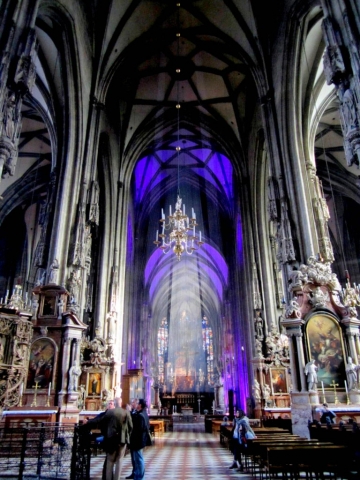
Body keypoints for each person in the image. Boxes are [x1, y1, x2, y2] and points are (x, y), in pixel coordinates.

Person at [91, 397, 133, 480]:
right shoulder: (126, 412)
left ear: (115, 403)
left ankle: (108, 478)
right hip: (122, 439)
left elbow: (99, 421)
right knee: (119, 461)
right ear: (121, 403)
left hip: (111, 439)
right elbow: (131, 426)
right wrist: (127, 434)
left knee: (110, 461)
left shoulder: (109, 412)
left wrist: (88, 422)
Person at [129, 398, 150, 480]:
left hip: (138, 440)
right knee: (137, 459)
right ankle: (138, 475)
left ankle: (140, 477)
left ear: (140, 405)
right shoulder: (142, 413)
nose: (135, 405)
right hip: (139, 440)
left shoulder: (140, 415)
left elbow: (139, 428)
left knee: (139, 459)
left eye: (137, 403)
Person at [125, 398, 139, 479]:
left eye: (133, 402)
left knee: (136, 458)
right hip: (132, 438)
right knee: (133, 458)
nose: (132, 404)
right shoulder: (133, 411)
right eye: (131, 402)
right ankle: (134, 472)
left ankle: (136, 473)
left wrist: (129, 411)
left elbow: (132, 421)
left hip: (136, 438)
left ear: (136, 404)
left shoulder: (136, 412)